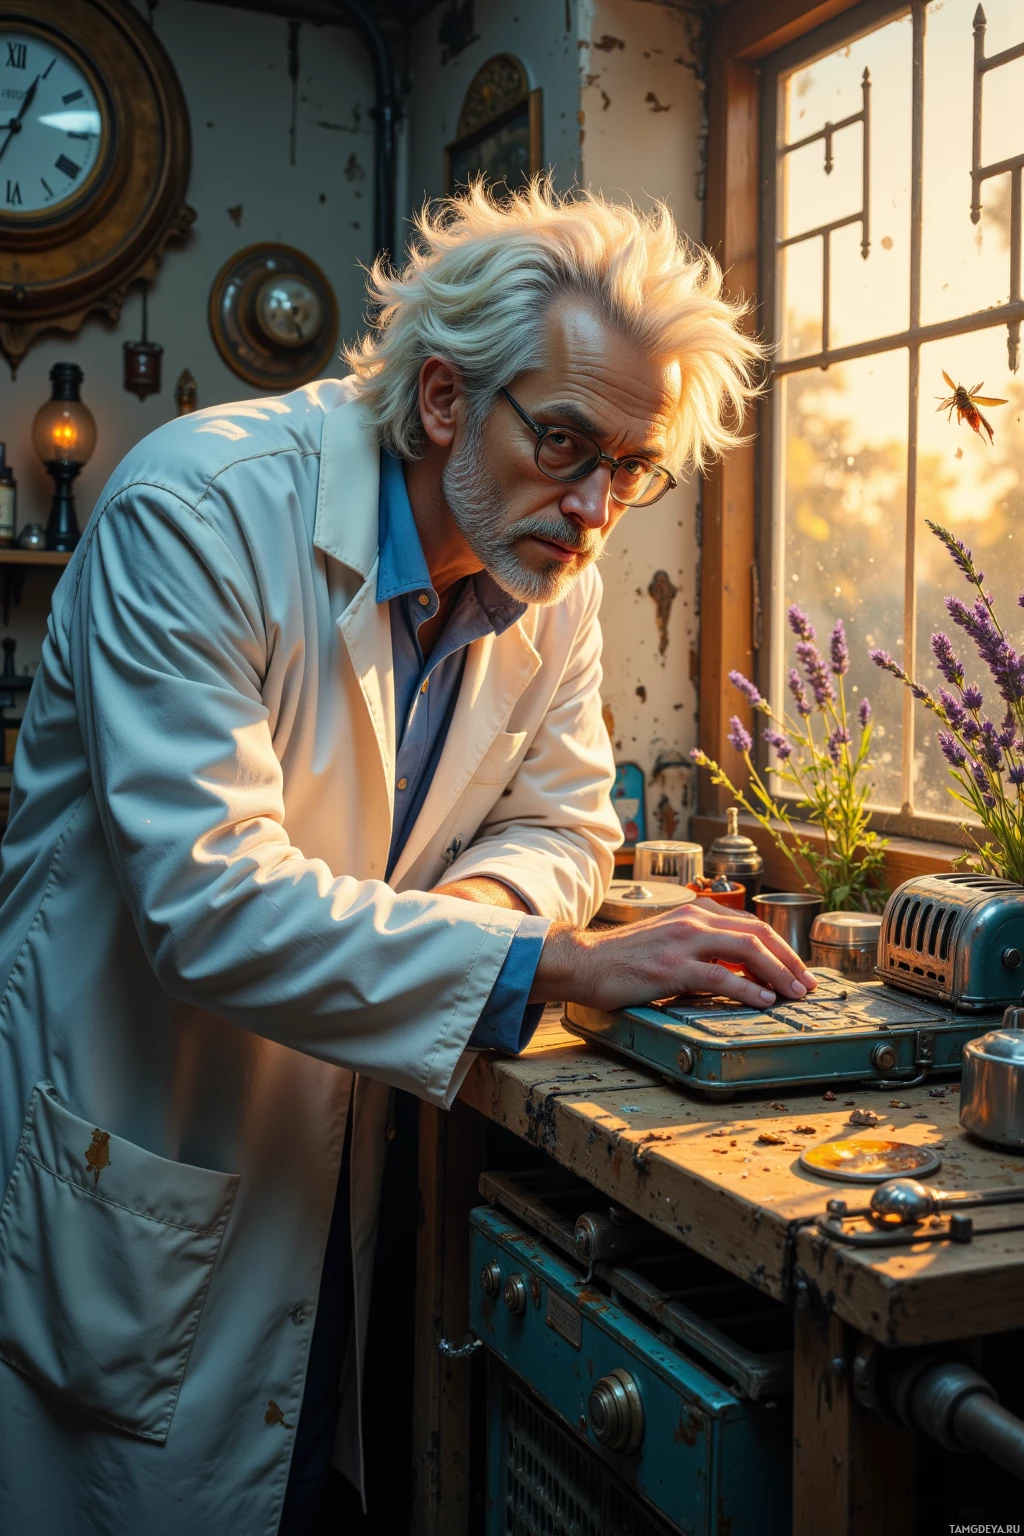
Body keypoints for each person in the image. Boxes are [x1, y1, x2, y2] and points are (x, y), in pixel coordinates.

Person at [0, 181, 814, 1535]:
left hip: (356, 1159)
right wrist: (547, 961)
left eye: (633, 467)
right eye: (565, 442)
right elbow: (207, 903)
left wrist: (474, 919)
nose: (598, 507)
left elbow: (564, 819)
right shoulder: (195, 512)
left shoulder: (553, 573)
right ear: (444, 398)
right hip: (157, 1151)